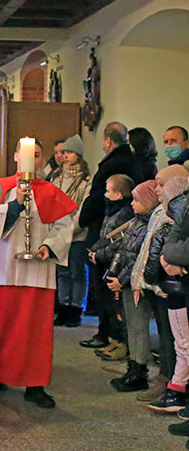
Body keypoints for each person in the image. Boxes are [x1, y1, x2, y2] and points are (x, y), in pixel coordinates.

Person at [0, 138, 76, 408]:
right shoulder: (0, 188)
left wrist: (49, 246)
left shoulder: (50, 191)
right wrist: (14, 205)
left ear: (40, 159)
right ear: (15, 156)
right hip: (2, 268)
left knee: (36, 331)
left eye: (38, 155)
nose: (33, 160)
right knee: (1, 327)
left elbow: (64, 226)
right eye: (28, 154)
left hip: (38, 271)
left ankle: (35, 384)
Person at [79, 122, 143, 349]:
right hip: (107, 229)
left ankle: (109, 336)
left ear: (107, 141)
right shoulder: (133, 160)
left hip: (105, 232)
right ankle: (110, 336)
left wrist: (84, 218)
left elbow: (98, 197)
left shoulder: (114, 164)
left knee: (106, 289)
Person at [106, 180, 161, 393]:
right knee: (131, 326)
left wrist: (123, 279)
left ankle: (139, 369)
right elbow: (124, 251)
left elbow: (141, 258)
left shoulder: (151, 225)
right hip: (126, 281)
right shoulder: (137, 221)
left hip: (136, 283)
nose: (132, 204)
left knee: (139, 328)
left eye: (137, 200)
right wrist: (113, 275)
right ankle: (133, 365)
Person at [144, 176, 189, 413]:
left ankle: (177, 391)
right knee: (179, 341)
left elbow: (175, 245)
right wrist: (170, 256)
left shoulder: (178, 208)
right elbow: (172, 243)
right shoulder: (174, 211)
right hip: (173, 283)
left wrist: (173, 259)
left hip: (178, 286)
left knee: (183, 343)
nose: (156, 190)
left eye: (161, 186)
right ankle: (176, 387)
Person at [87, 174, 135, 361]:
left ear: (118, 194)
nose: (105, 194)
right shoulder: (111, 210)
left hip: (115, 264)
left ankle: (122, 344)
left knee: (117, 308)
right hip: (104, 263)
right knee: (107, 305)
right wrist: (95, 250)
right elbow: (106, 236)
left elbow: (118, 241)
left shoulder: (124, 212)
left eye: (109, 191)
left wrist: (99, 254)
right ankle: (113, 340)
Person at [51, 134, 92, 327]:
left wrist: (71, 229)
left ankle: (76, 308)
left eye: (69, 152)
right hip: (58, 231)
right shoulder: (56, 176)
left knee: (77, 271)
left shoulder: (86, 180)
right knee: (62, 272)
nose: (64, 155)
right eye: (63, 152)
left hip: (77, 233)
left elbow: (84, 207)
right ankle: (63, 305)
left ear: (78, 155)